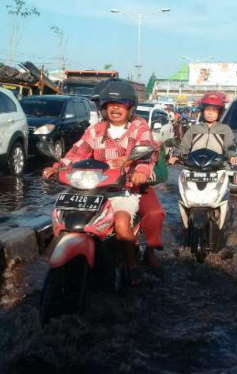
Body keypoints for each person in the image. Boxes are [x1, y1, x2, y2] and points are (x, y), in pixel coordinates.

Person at [42, 78, 161, 284]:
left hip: (122, 189)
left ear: (130, 107)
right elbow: (78, 151)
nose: (115, 109)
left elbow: (146, 154)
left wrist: (140, 172)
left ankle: (131, 265)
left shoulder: (138, 128)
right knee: (64, 218)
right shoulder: (96, 129)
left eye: (120, 104)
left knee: (122, 224)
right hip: (92, 188)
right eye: (110, 105)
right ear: (104, 108)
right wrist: (58, 166)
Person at [169, 92, 237, 166]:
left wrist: (232, 157)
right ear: (203, 111)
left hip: (218, 167)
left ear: (220, 112)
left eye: (214, 110)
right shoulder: (194, 129)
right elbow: (183, 147)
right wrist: (176, 156)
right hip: (194, 167)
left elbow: (230, 145)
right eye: (207, 109)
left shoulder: (225, 129)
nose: (210, 113)